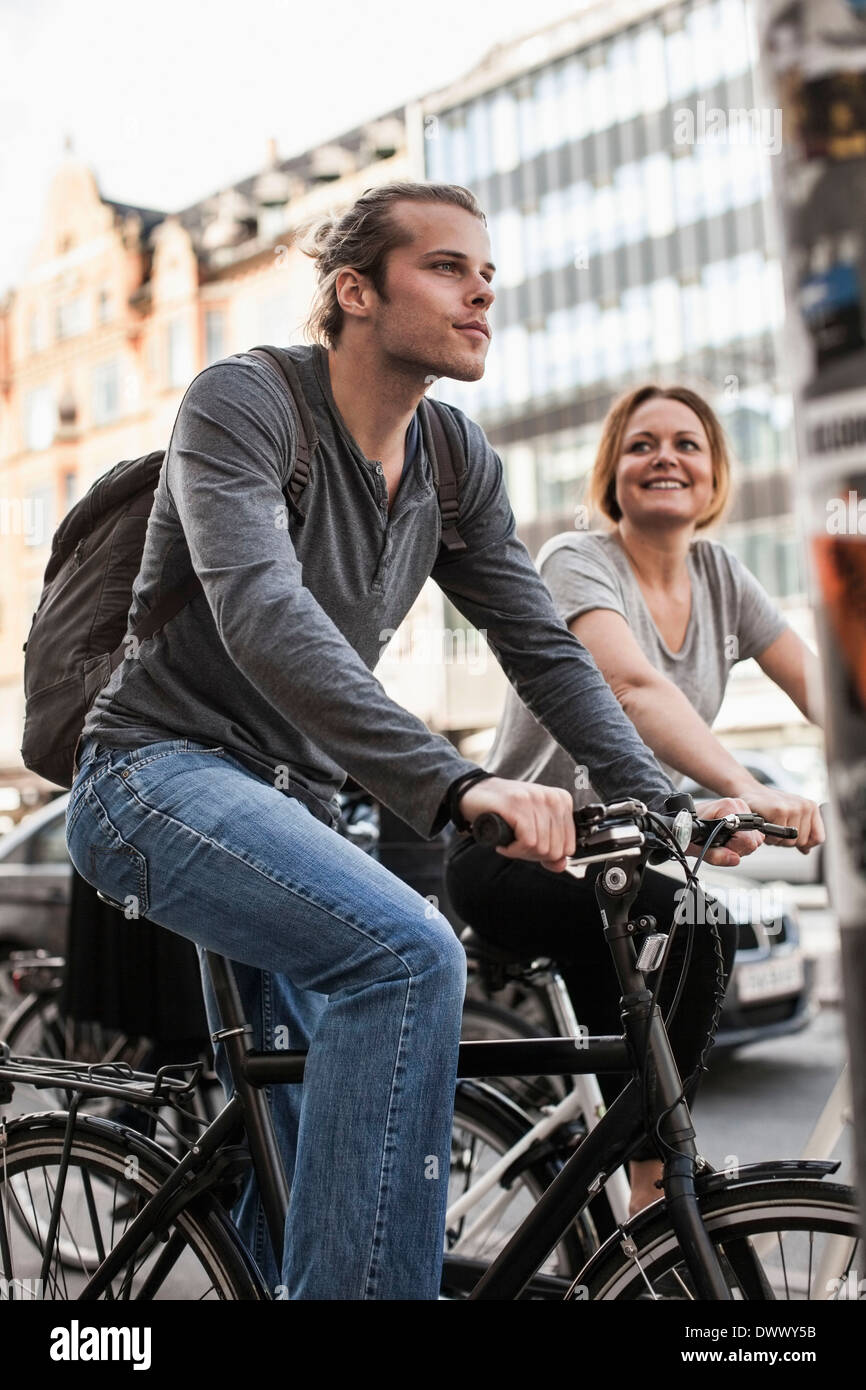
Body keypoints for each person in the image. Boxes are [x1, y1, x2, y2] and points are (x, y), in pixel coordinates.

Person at [65, 185, 760, 1300]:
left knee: (296, 1146)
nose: (481, 288)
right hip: (154, 774)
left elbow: (542, 648)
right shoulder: (242, 404)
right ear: (354, 290)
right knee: (404, 957)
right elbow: (264, 616)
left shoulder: (450, 458)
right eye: (446, 267)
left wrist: (657, 797)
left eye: (486, 271)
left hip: (296, 803)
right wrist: (458, 783)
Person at [445, 382, 825, 1216]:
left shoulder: (722, 575)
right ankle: (651, 1202)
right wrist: (743, 786)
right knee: (698, 930)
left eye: (687, 444)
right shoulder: (578, 560)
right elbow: (628, 685)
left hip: (612, 864)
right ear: (611, 470)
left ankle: (625, 1195)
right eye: (642, 443)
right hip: (514, 853)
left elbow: (822, 686)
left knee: (685, 960)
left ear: (715, 473)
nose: (666, 458)